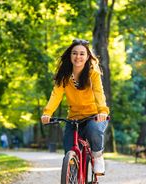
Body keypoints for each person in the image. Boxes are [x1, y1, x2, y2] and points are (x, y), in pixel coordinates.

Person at [41, 39, 109, 175]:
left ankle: (97, 156)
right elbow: (56, 95)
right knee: (69, 147)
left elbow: (98, 92)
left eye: (82, 54)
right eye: (75, 53)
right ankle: (73, 179)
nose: (78, 57)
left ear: (88, 56)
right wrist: (47, 113)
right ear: (70, 55)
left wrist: (102, 110)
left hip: (94, 116)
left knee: (93, 129)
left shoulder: (93, 74)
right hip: (74, 118)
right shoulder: (64, 77)